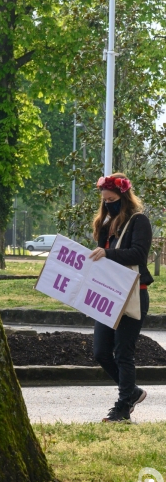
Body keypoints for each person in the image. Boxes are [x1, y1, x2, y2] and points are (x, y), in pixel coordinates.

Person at [89, 173, 153, 423]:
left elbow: (138, 254)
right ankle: (132, 392)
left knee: (123, 352)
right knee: (101, 352)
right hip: (108, 295)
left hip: (132, 296)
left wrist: (106, 253)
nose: (108, 204)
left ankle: (123, 407)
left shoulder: (139, 221)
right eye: (104, 201)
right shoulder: (106, 224)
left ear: (124, 197)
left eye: (112, 199)